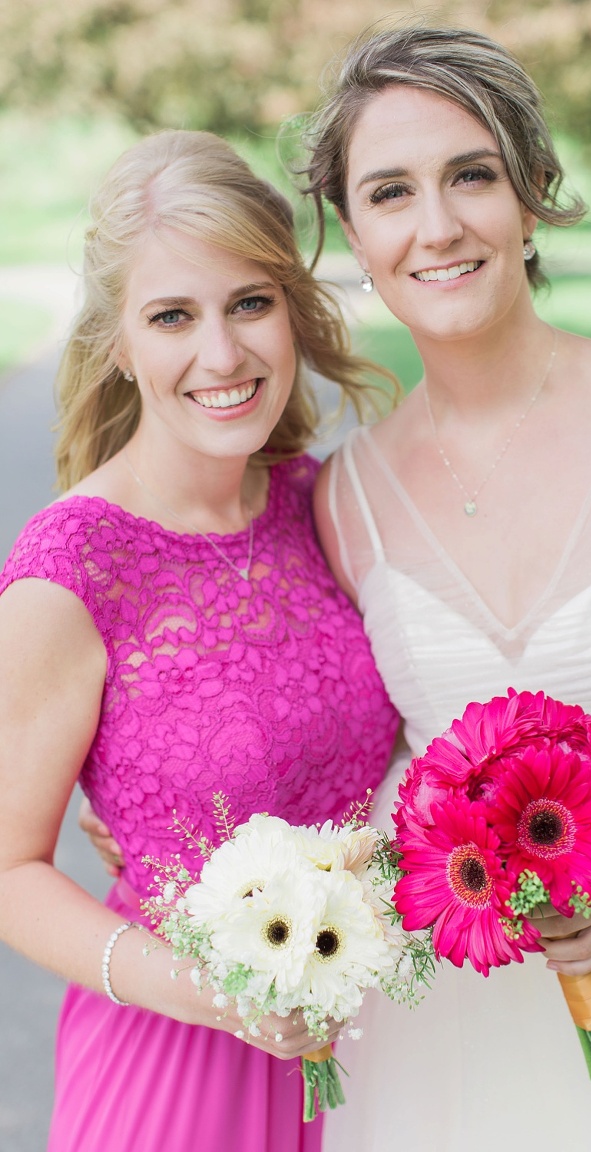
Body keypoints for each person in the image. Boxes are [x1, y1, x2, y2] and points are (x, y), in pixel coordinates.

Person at [296, 23, 591, 1151]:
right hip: (452, 1042)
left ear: (532, 194)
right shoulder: (346, 499)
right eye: (391, 192)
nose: (438, 225)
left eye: (472, 175)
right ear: (353, 232)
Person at [0, 128, 400, 1152]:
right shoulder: (71, 571)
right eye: (172, 315)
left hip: (374, 1057)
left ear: (293, 309)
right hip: (178, 1075)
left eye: (249, 303)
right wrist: (215, 992)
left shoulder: (321, 504)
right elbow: (8, 871)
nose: (220, 355)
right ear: (118, 342)